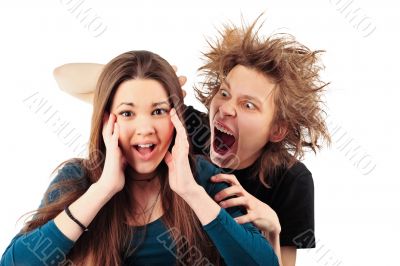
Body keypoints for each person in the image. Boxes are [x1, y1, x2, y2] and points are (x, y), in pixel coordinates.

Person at [51, 18, 330, 266]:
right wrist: (152, 82)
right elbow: (64, 77)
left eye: (248, 105)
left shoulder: (292, 180)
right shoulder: (184, 128)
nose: (227, 108)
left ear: (277, 130)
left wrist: (273, 231)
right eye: (224, 93)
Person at [0, 50, 279, 266]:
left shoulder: (204, 179)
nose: (145, 129)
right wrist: (102, 190)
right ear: (107, 121)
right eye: (127, 113)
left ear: (176, 119)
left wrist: (191, 192)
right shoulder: (79, 179)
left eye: (158, 111)